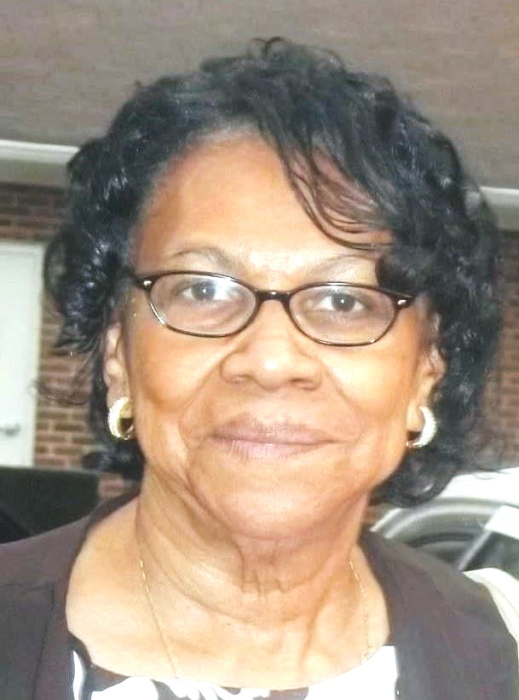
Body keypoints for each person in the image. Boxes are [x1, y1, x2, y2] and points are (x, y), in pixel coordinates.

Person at [0, 39, 516, 700]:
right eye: (203, 290)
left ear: (425, 371)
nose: (271, 361)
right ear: (117, 353)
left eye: (344, 301)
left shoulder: (493, 651)